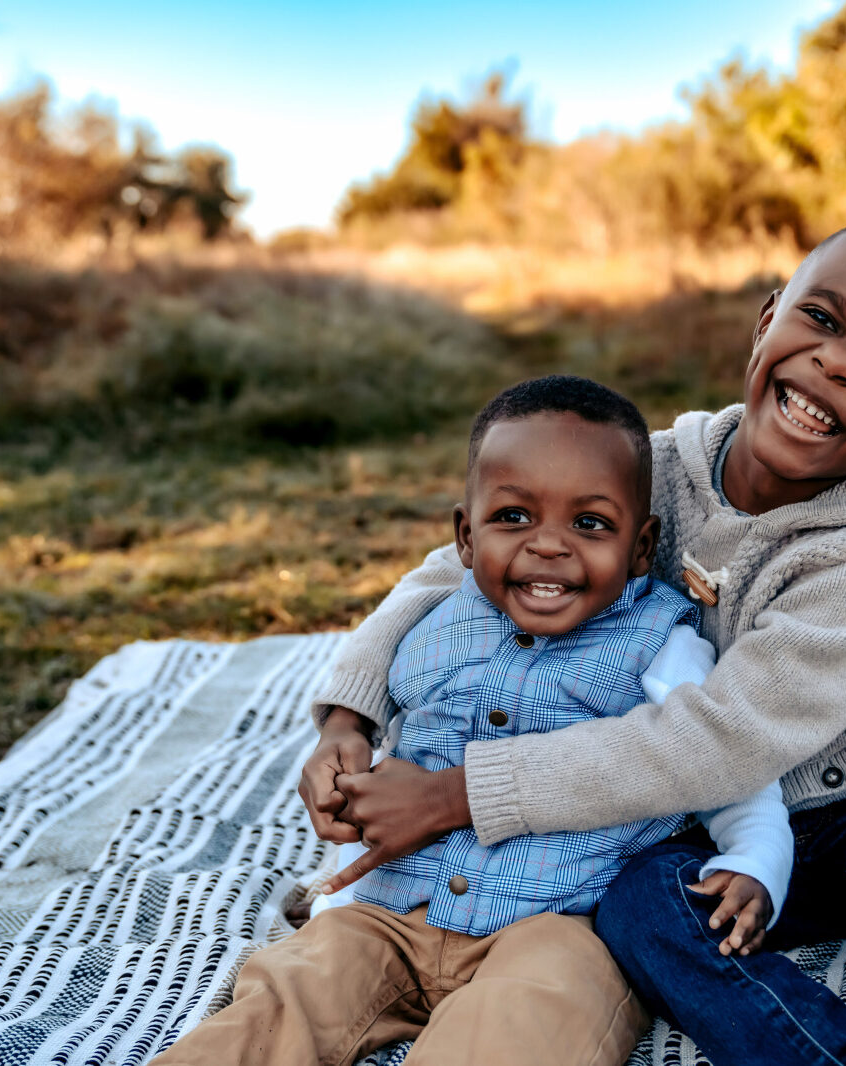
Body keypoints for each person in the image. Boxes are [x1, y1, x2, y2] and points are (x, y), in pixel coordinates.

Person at [303, 220, 846, 1066]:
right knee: (636, 905)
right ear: (768, 322)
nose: (838, 362)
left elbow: (718, 736)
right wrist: (347, 718)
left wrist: (459, 793)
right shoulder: (654, 466)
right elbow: (454, 566)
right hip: (731, 817)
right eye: (823, 320)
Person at [154, 376, 792, 1066]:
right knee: (286, 994)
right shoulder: (430, 623)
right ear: (466, 534)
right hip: (392, 911)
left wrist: (754, 863)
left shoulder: (659, 643)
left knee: (533, 1015)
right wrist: (341, 875)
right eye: (514, 518)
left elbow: (723, 763)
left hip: (559, 923)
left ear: (642, 547)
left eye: (590, 523)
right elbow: (381, 763)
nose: (548, 545)